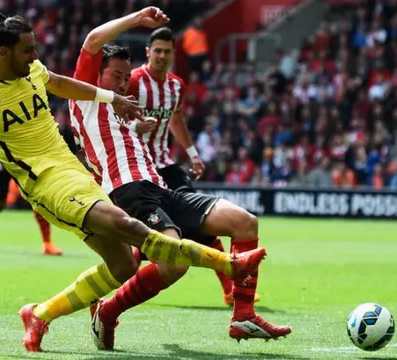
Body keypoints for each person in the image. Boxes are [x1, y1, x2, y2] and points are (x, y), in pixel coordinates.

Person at [0, 12, 266, 353]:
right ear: (3, 52)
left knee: (122, 266)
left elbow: (62, 83)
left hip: (77, 172)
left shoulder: (34, 71)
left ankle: (39, 313)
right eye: (27, 50)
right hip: (45, 183)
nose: (35, 55)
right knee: (128, 227)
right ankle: (228, 265)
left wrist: (113, 99)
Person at [67, 7, 291, 351]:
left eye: (126, 77)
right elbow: (93, 40)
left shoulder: (124, 111)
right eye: (115, 76)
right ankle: (108, 312)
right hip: (128, 192)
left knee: (244, 222)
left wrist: (137, 129)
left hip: (161, 187)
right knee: (174, 262)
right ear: (96, 76)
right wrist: (136, 19)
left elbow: (130, 134)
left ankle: (243, 315)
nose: (122, 83)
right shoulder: (85, 98)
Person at [128, 26, 260, 306]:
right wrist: (135, 125)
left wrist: (193, 154)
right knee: (145, 234)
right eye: (158, 51)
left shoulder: (176, 86)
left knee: (202, 222)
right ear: (148, 52)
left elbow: (176, 121)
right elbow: (113, 120)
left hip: (164, 163)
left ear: (174, 54)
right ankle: (123, 283)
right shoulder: (133, 81)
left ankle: (229, 288)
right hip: (136, 168)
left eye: (167, 51)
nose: (162, 56)